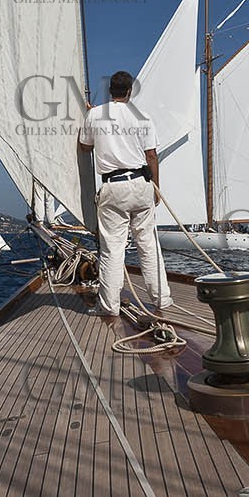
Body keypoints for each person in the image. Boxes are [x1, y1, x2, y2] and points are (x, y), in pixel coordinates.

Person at [79, 70, 175, 319]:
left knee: (113, 249)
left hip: (113, 186)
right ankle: (161, 299)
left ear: (111, 90)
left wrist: (90, 115)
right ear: (130, 91)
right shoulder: (142, 117)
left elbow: (84, 147)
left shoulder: (95, 114)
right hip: (142, 184)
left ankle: (109, 306)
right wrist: (156, 187)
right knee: (148, 243)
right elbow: (151, 155)